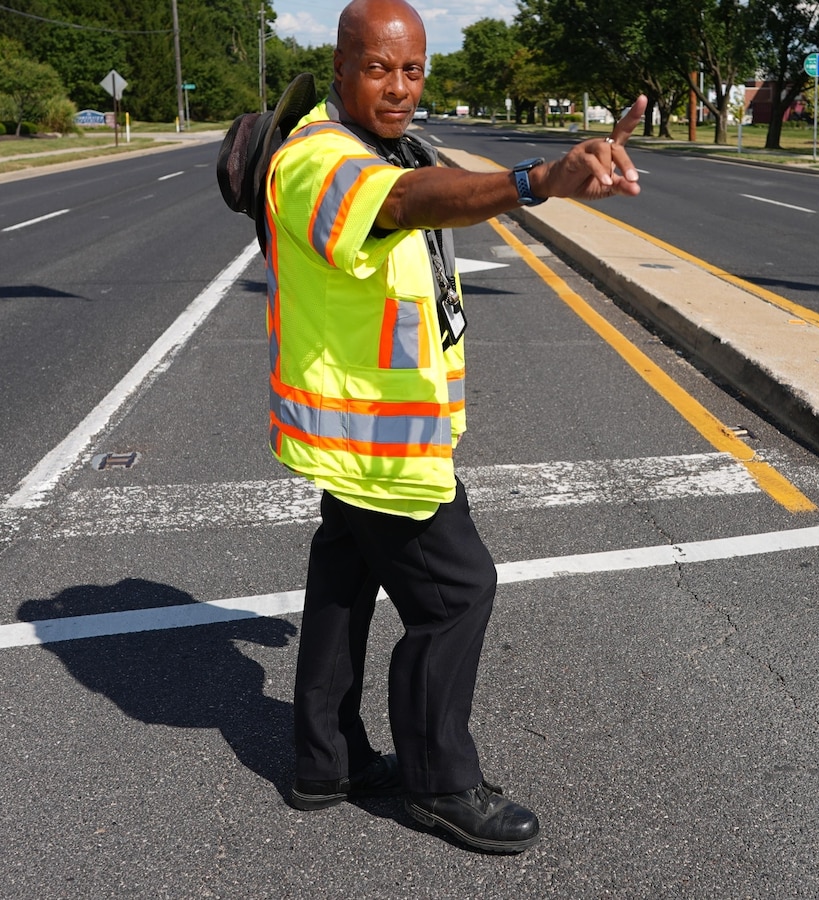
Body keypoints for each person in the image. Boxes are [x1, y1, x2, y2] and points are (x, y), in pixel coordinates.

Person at [263, 0, 645, 854]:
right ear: (339, 69)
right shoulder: (317, 159)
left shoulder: (379, 139)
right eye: (378, 68)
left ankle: (326, 761)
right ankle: (439, 782)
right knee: (458, 593)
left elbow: (418, 192)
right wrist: (534, 181)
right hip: (374, 441)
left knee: (344, 581)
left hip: (361, 430)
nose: (399, 88)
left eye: (413, 70)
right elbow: (407, 202)